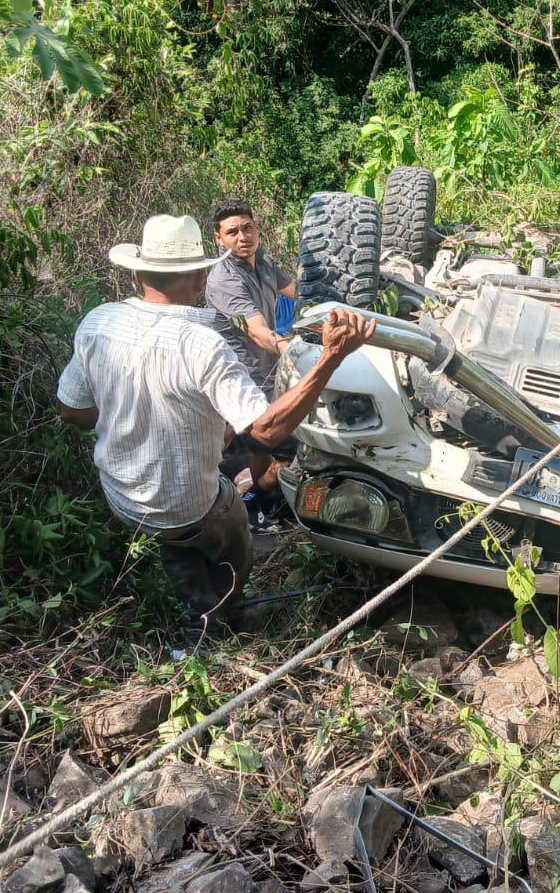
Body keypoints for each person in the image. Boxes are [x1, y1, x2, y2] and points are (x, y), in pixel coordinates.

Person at [55, 213, 374, 641]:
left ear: (136, 275)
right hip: (187, 505)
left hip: (121, 493)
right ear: (202, 275)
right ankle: (224, 609)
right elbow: (265, 433)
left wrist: (129, 414)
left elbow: (72, 412)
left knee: (183, 532)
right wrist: (330, 358)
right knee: (232, 528)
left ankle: (188, 588)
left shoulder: (98, 322)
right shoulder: (202, 343)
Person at [204, 199, 297, 513]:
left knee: (266, 450)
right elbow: (256, 331)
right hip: (239, 383)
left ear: (257, 228)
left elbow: (295, 290)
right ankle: (244, 508)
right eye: (232, 232)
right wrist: (291, 350)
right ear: (218, 238)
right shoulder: (224, 278)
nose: (242, 237)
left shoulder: (264, 262)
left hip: (267, 374)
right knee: (245, 454)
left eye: (247, 228)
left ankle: (257, 503)